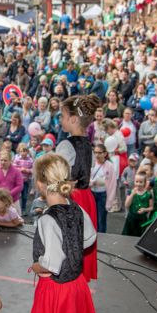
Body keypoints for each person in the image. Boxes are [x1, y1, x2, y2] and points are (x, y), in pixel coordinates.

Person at [21, 153, 106, 313]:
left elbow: (52, 264)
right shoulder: (76, 208)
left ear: (40, 183)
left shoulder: (47, 220)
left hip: (55, 291)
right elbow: (90, 238)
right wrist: (73, 248)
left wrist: (37, 266)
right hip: (77, 285)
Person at [56, 94, 101, 282]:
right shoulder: (88, 145)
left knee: (67, 243)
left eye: (62, 116)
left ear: (73, 119)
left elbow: (58, 176)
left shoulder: (66, 145)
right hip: (86, 198)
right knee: (81, 242)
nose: (60, 119)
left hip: (71, 198)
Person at [90, 144, 117, 233]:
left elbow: (112, 184)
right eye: (95, 152)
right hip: (92, 193)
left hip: (103, 195)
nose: (97, 155)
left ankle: (102, 240)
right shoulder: (92, 163)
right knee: (93, 218)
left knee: (101, 219)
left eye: (99, 153)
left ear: (105, 153)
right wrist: (92, 182)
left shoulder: (110, 165)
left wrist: (109, 202)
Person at [122, 172, 153, 237]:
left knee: (139, 237)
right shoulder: (130, 192)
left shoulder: (148, 194)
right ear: (134, 181)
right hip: (131, 218)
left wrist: (145, 209)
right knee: (127, 237)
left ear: (144, 183)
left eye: (141, 182)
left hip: (142, 220)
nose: (138, 184)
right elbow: (126, 205)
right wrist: (132, 195)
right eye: (137, 181)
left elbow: (151, 207)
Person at [14, 143, 34, 214]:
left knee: (25, 196)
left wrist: (27, 170)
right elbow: (14, 168)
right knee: (17, 195)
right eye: (21, 151)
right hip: (18, 181)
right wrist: (20, 169)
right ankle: (17, 209)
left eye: (25, 151)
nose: (23, 153)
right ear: (19, 151)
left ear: (28, 152)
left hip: (26, 181)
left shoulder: (30, 160)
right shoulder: (17, 159)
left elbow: (33, 169)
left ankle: (23, 209)